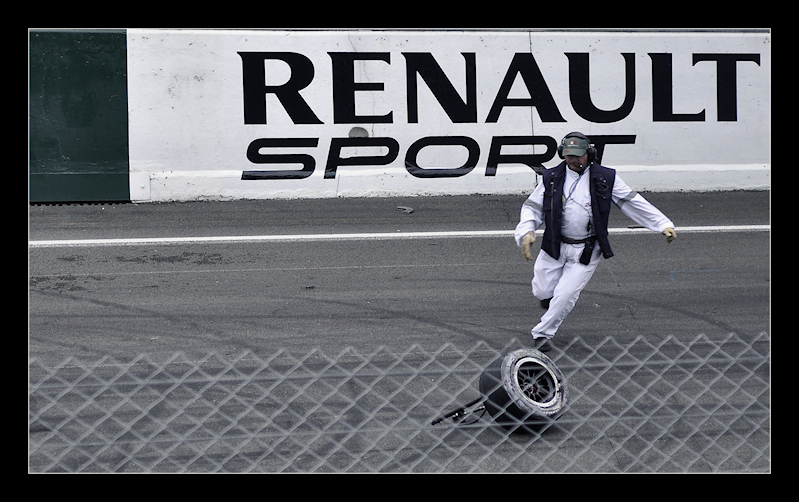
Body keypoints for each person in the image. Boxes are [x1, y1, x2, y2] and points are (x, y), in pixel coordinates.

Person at [514, 132, 677, 351]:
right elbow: (533, 207)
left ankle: (543, 333)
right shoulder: (551, 177)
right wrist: (526, 231)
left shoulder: (605, 177)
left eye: (578, 155)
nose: (573, 160)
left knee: (566, 295)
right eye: (569, 155)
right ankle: (548, 300)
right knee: (541, 291)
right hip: (554, 244)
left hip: (587, 250)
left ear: (589, 153)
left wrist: (662, 224)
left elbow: (631, 201)